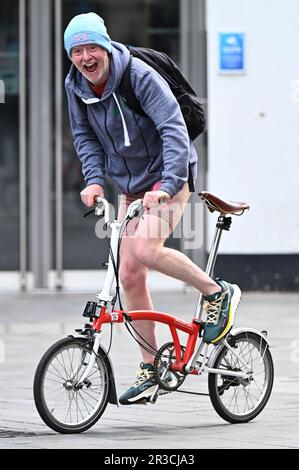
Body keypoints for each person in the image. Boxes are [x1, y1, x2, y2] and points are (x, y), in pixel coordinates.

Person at [63, 12, 241, 405]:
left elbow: (174, 129)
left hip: (167, 178)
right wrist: (93, 180)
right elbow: (84, 136)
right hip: (130, 185)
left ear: (106, 47)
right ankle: (152, 368)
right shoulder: (75, 85)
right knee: (128, 273)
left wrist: (166, 185)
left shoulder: (139, 76)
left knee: (144, 249)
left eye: (92, 47)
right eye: (77, 50)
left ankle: (216, 293)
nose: (85, 57)